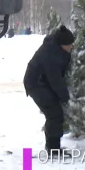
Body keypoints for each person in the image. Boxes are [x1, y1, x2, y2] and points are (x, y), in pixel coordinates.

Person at [23, 25, 74, 158]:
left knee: (54, 114)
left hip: (42, 82)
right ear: (61, 44)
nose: (71, 47)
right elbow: (55, 79)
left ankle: (52, 146)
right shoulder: (51, 54)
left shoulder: (55, 47)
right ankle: (53, 149)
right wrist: (65, 97)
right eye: (69, 45)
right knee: (55, 113)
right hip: (35, 84)